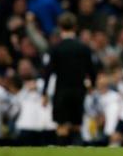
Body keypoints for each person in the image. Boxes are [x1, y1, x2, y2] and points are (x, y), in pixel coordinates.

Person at [42, 12, 97, 145]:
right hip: (79, 91)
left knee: (61, 126)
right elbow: (92, 70)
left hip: (61, 91)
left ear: (60, 27)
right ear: (75, 27)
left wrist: (44, 93)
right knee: (76, 125)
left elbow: (48, 72)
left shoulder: (56, 49)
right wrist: (92, 86)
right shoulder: (84, 48)